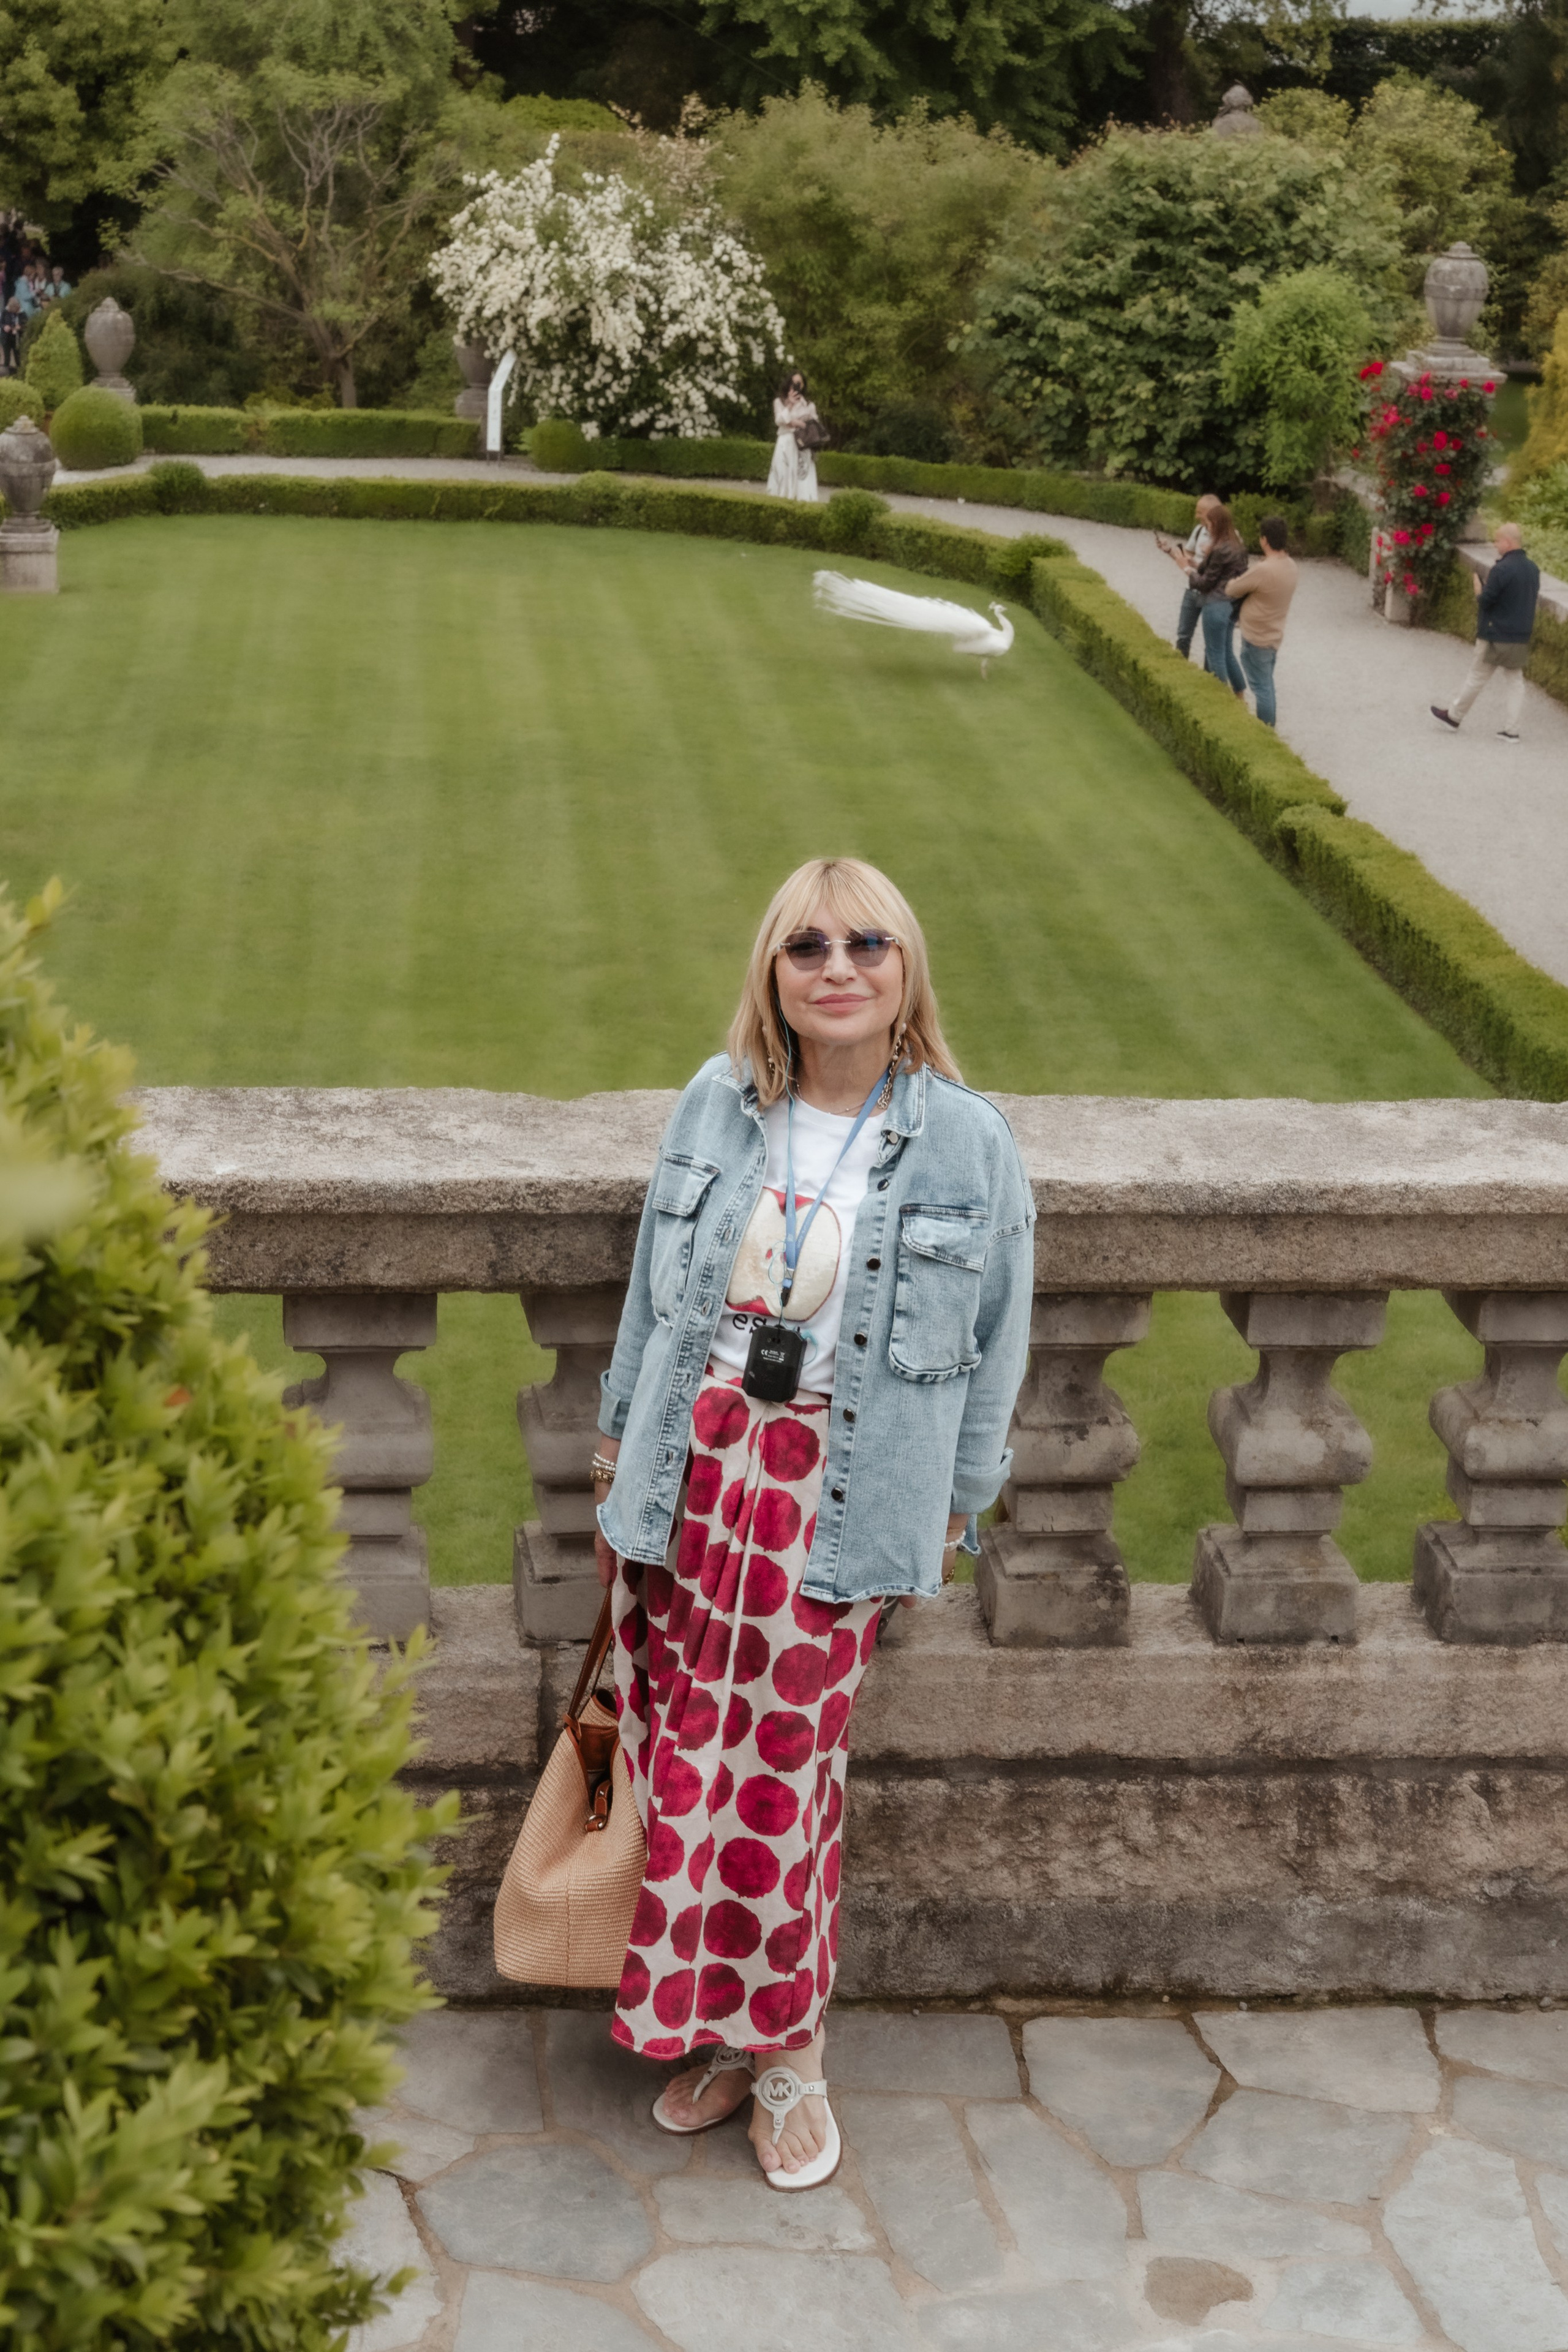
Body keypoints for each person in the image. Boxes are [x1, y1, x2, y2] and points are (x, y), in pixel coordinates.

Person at [591, 857, 1034, 2188]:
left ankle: (790, 2062)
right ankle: (715, 2040)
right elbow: (650, 1304)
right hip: (697, 1475)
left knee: (783, 1783)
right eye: (807, 946)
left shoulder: (964, 1139)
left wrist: (953, 1508)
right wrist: (619, 1446)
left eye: (866, 944)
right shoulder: (715, 1107)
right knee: (686, 1763)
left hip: (835, 1499)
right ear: (772, 973)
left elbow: (997, 1344)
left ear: (905, 971)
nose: (836, 967)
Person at [1431, 522, 1540, 741]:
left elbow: (1487, 601)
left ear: (1508, 543)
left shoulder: (1501, 569)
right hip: (1519, 636)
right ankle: (1512, 730)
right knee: (1515, 682)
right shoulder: (1533, 569)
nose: (1495, 544)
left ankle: (1454, 716)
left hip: (1494, 635)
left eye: (1498, 541)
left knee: (1477, 676)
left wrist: (1479, 590)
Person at [1224, 515, 1298, 729]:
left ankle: (1266, 730)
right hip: (1274, 634)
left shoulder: (1265, 569)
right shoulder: (1291, 566)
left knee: (1261, 688)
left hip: (1256, 638)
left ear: (1264, 540)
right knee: (1267, 684)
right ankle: (1268, 728)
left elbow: (1232, 588)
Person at [1190, 503, 1249, 695]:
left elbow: (1206, 582)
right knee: (1226, 651)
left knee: (1215, 653)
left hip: (1216, 603)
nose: (1206, 527)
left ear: (1215, 523)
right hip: (1233, 603)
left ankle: (1221, 698)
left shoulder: (1219, 549)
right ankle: (1239, 693)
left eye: (1208, 523)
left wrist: (1188, 571)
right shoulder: (1239, 547)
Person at [1161, 494, 1219, 659]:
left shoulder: (1229, 536)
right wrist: (1169, 550)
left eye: (1199, 512)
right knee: (1183, 635)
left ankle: (1210, 679)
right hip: (1193, 589)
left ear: (1211, 512)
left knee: (1212, 643)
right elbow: (1186, 560)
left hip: (1213, 595)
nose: (1196, 516)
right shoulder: (1199, 530)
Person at [767, 371, 821, 503]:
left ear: (803, 386)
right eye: (793, 383)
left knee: (802, 476)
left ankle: (803, 503)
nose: (795, 386)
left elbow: (814, 426)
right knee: (782, 473)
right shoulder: (779, 402)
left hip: (803, 445)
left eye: (799, 383)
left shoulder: (809, 405)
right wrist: (790, 406)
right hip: (785, 443)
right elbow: (779, 421)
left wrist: (794, 422)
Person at [0, 296, 21, 377]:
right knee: (7, 357)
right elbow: (1, 323)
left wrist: (17, 328)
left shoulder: (20, 313)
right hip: (6, 338)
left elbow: (23, 323)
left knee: (17, 356)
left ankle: (20, 372)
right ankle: (5, 375)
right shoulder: (5, 312)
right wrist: (4, 326)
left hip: (15, 338)